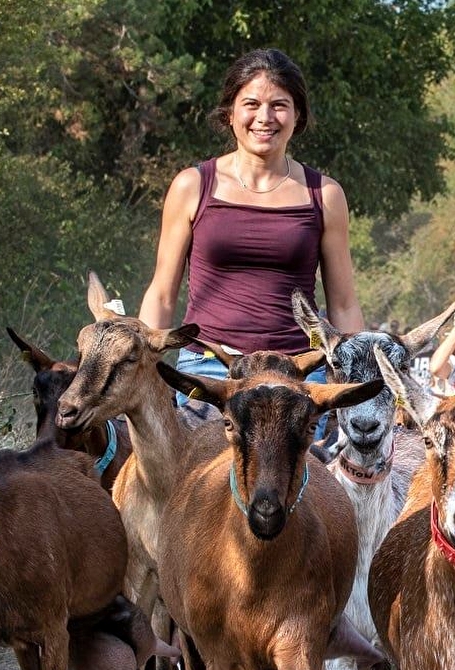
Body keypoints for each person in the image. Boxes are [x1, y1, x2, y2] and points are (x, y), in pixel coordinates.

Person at [137, 48, 363, 425]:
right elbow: (162, 294)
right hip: (208, 374)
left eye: (279, 105)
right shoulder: (192, 186)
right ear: (230, 113)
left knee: (312, 466)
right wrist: (143, 372)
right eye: (251, 104)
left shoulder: (325, 194)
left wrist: (355, 388)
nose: (264, 117)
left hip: (298, 376)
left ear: (297, 115)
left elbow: (343, 304)